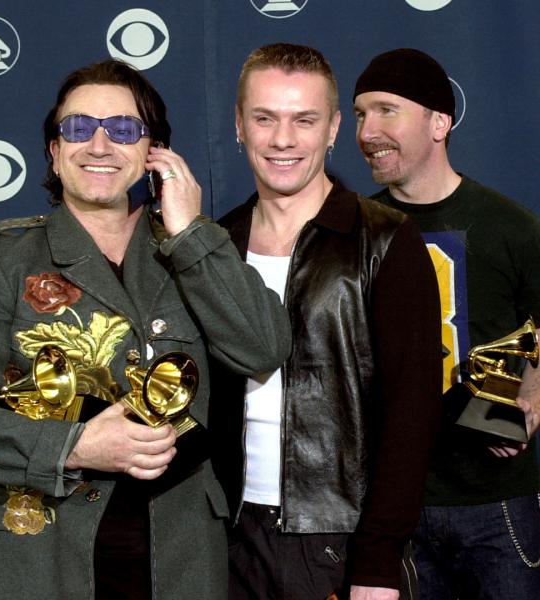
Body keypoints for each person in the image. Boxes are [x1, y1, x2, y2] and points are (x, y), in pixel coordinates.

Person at [0, 58, 291, 600]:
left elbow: (264, 348)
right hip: (34, 562)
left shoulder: (194, 249)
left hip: (179, 565)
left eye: (123, 129)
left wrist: (190, 232)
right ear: (55, 154)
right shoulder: (3, 258)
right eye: (78, 128)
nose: (99, 145)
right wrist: (75, 446)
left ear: (154, 154)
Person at [209, 42, 442, 600]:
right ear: (239, 125)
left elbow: (413, 413)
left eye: (303, 120)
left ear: (334, 128)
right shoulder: (217, 243)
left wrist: (378, 561)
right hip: (225, 535)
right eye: (264, 118)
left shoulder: (386, 240)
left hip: (338, 539)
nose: (283, 140)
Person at [353, 48, 540, 599]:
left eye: (386, 110)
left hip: (497, 502)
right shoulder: (357, 231)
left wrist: (532, 398)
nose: (367, 131)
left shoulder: (510, 226)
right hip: (394, 505)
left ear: (440, 123)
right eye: (360, 114)